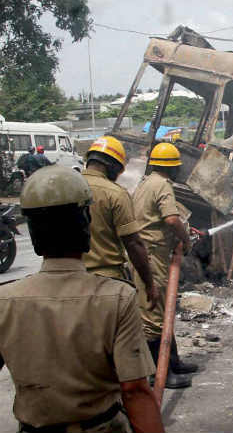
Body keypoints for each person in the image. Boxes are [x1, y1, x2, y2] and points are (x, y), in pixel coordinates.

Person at [0, 166, 164, 433]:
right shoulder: (118, 299)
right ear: (86, 227)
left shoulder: (5, 300)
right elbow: (135, 390)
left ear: (33, 232)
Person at [133, 142, 195, 389]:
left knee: (161, 310)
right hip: (152, 255)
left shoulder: (146, 182)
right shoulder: (162, 185)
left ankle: (174, 362)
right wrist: (185, 239)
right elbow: (171, 219)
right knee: (154, 314)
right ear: (173, 167)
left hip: (148, 252)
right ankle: (161, 373)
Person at [82, 136, 158, 308]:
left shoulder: (68, 188)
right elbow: (133, 244)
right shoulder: (115, 194)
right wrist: (149, 284)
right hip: (106, 282)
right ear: (112, 166)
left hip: (71, 280)